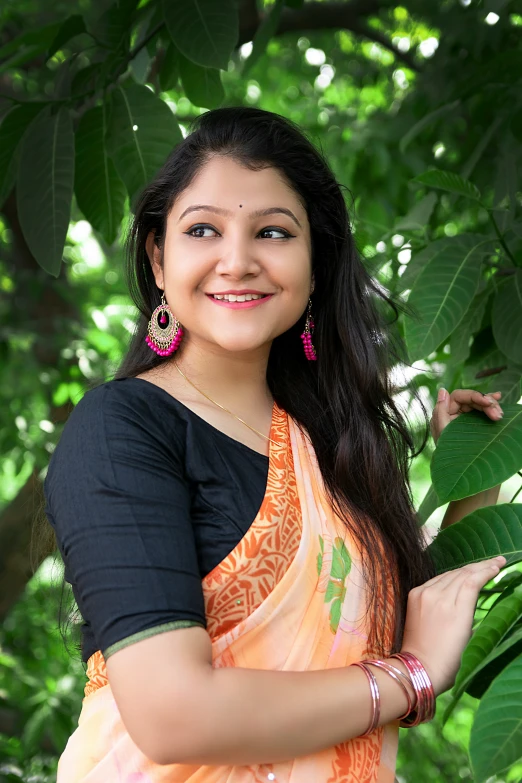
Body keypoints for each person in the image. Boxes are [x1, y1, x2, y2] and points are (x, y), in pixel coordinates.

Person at [42, 106, 505, 782]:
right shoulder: (124, 430)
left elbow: (382, 657)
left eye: (272, 232)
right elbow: (176, 714)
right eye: (203, 229)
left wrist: (473, 474)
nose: (237, 260)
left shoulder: (331, 445)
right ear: (159, 257)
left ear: (314, 266)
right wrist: (408, 678)